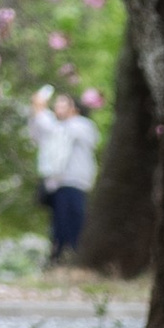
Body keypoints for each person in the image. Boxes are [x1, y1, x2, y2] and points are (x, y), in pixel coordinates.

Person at [30, 86, 98, 264]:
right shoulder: (59, 126)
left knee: (72, 223)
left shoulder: (82, 125)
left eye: (62, 103)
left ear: (74, 108)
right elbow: (40, 132)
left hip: (73, 182)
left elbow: (55, 132)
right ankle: (58, 259)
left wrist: (41, 110)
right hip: (56, 184)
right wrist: (38, 111)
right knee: (58, 225)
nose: (57, 106)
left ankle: (70, 259)